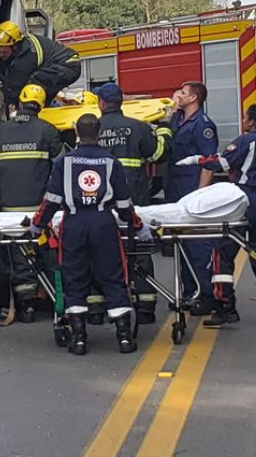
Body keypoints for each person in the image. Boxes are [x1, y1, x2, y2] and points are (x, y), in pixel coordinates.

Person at [31, 114, 150, 355]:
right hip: (103, 224)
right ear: (99, 133)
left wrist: (37, 224)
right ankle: (125, 339)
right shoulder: (111, 162)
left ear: (76, 132)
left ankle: (79, 340)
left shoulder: (64, 163)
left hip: (73, 224)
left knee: (74, 279)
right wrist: (138, 226)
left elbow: (51, 200)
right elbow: (125, 204)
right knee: (114, 277)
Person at [179, 103, 256, 329]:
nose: (243, 120)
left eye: (245, 117)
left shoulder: (245, 140)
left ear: (252, 122)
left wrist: (196, 160)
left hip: (243, 199)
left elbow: (222, 162)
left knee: (222, 251)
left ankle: (225, 306)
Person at [95, 82, 169, 324]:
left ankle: (100, 309)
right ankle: (146, 307)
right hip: (134, 199)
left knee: (102, 253)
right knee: (139, 249)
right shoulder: (137, 127)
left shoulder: (91, 129)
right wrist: (164, 129)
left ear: (102, 104)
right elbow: (158, 155)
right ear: (120, 103)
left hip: (101, 203)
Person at [0, 84, 64, 322]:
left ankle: (27, 306)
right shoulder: (47, 130)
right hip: (40, 209)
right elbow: (61, 168)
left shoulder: (1, 131)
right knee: (49, 255)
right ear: (41, 106)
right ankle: (59, 301)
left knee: (19, 256)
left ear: (20, 103)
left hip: (9, 208)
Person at [165, 81, 219, 316]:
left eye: (183, 93)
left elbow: (209, 163)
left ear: (194, 98)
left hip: (191, 187)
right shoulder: (177, 120)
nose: (179, 95)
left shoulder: (203, 125)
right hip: (175, 187)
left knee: (198, 244)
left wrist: (201, 193)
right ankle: (190, 292)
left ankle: (207, 294)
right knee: (182, 242)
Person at [0, 21, 82, 106]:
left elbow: (15, 88)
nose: (1, 55)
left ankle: (33, 113)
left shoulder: (27, 56)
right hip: (60, 64)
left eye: (5, 52)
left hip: (69, 65)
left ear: (15, 46)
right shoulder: (22, 43)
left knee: (34, 83)